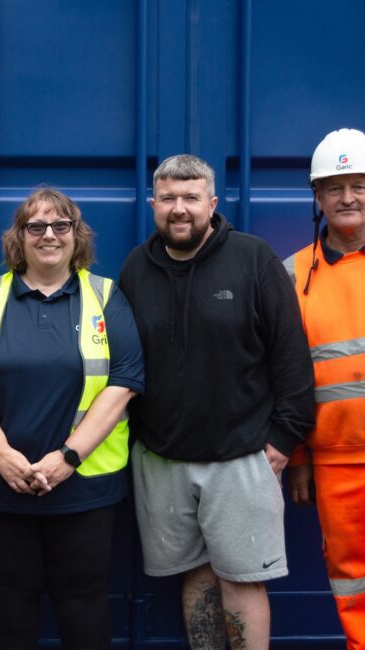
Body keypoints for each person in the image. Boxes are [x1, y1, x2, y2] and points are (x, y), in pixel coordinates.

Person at [119, 154, 315, 649]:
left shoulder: (253, 259)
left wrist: (283, 438)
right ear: (153, 204)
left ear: (212, 202)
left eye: (190, 198)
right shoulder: (136, 268)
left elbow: (291, 354)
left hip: (242, 457)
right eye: (168, 198)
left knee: (242, 579)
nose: (178, 209)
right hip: (162, 458)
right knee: (196, 576)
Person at [0, 187, 144, 650]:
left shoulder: (105, 296)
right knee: (9, 603)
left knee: (85, 602)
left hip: (84, 485)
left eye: (60, 226)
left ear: (77, 235)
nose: (48, 235)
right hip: (1, 484)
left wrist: (68, 456)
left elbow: (126, 379)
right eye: (36, 226)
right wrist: (3, 456)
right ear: (20, 237)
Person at [285, 128, 365, 649]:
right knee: (351, 581)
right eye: (334, 187)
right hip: (335, 459)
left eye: (359, 184)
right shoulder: (293, 273)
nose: (348, 198)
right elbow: (285, 376)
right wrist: (297, 459)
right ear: (317, 197)